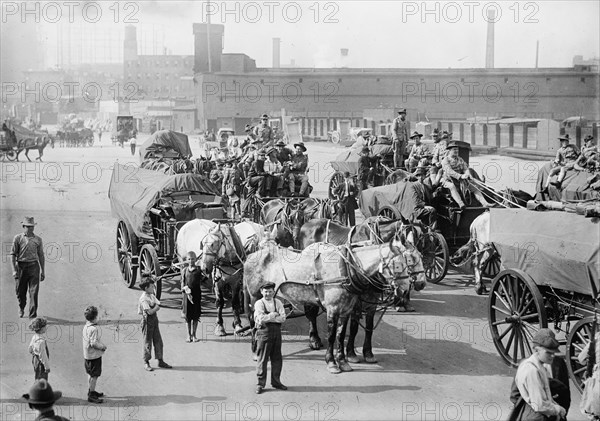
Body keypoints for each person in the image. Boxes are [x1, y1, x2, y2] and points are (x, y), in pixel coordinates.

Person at [510, 329, 568, 421]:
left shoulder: (556, 364)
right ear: (537, 350)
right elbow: (516, 396)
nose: (552, 356)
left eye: (553, 352)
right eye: (548, 352)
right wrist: (557, 409)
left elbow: (565, 392)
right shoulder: (530, 369)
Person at [254, 282, 287, 394]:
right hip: (264, 333)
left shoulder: (278, 302)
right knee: (262, 359)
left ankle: (276, 382)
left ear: (274, 292)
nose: (268, 294)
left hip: (276, 333)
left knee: (277, 358)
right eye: (266, 291)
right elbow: (260, 318)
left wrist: (268, 317)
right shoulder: (259, 303)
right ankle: (260, 384)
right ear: (261, 292)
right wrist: (273, 315)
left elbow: (283, 318)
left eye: (270, 291)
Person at [11, 216, 45, 318]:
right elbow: (13, 254)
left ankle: (32, 317)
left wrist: (43, 271)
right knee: (20, 292)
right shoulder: (18, 238)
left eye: (32, 226)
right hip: (21, 267)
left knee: (34, 293)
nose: (31, 228)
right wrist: (14, 270)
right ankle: (21, 307)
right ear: (23, 226)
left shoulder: (38, 239)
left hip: (34, 266)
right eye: (28, 226)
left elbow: (41, 255)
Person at [441, 142, 492, 209]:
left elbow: (465, 168)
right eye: (454, 149)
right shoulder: (445, 160)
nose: (456, 151)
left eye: (457, 149)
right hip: (448, 180)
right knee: (452, 186)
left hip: (460, 180)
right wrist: (460, 176)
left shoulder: (460, 159)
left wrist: (467, 174)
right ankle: (460, 203)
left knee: (474, 187)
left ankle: (485, 203)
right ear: (449, 151)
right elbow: (449, 171)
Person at [138, 276, 172, 372]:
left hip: (154, 321)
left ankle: (160, 360)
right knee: (147, 343)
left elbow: (158, 303)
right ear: (146, 288)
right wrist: (156, 308)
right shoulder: (144, 299)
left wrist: (155, 307)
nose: (154, 288)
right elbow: (150, 312)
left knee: (158, 341)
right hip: (147, 322)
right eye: (152, 287)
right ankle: (146, 362)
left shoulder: (151, 295)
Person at [82, 306, 107, 404]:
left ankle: (91, 390)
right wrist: (102, 347)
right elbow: (93, 343)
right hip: (94, 356)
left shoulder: (86, 326)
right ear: (95, 317)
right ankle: (91, 394)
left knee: (90, 374)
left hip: (87, 355)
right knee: (95, 375)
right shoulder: (93, 329)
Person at [181, 252, 203, 343]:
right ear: (187, 260)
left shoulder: (199, 270)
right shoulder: (185, 270)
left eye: (193, 259)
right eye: (189, 259)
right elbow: (182, 282)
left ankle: (194, 335)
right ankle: (188, 335)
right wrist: (184, 289)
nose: (191, 261)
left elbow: (205, 280)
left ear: (196, 259)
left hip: (196, 295)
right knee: (188, 317)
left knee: (195, 316)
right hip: (187, 296)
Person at [412, 164, 438, 231]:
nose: (420, 177)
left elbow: (429, 198)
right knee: (432, 210)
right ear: (417, 177)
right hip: (416, 209)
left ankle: (429, 227)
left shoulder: (426, 187)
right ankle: (431, 230)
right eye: (419, 175)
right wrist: (425, 206)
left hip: (424, 208)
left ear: (424, 176)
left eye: (422, 175)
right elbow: (415, 199)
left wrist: (435, 194)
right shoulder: (413, 186)